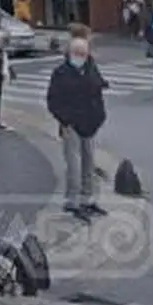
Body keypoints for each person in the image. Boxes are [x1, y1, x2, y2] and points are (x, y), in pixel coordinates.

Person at [47, 36, 109, 221]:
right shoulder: (61, 73)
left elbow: (97, 92)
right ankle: (72, 201)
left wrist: (99, 116)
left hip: (90, 122)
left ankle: (87, 199)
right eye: (76, 53)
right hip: (71, 124)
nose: (80, 57)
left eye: (83, 53)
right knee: (74, 166)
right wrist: (65, 120)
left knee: (89, 163)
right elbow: (53, 100)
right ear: (69, 53)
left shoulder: (91, 69)